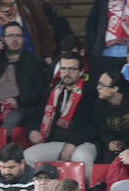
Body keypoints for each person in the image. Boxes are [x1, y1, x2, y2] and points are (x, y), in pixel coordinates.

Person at [25, 50, 98, 180]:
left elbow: (96, 126)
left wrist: (73, 143)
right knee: (28, 156)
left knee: (81, 159)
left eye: (71, 69)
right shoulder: (52, 92)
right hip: (56, 142)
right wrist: (32, 130)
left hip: (83, 142)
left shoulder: (91, 93)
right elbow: (34, 114)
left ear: (81, 72)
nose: (66, 73)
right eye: (63, 69)